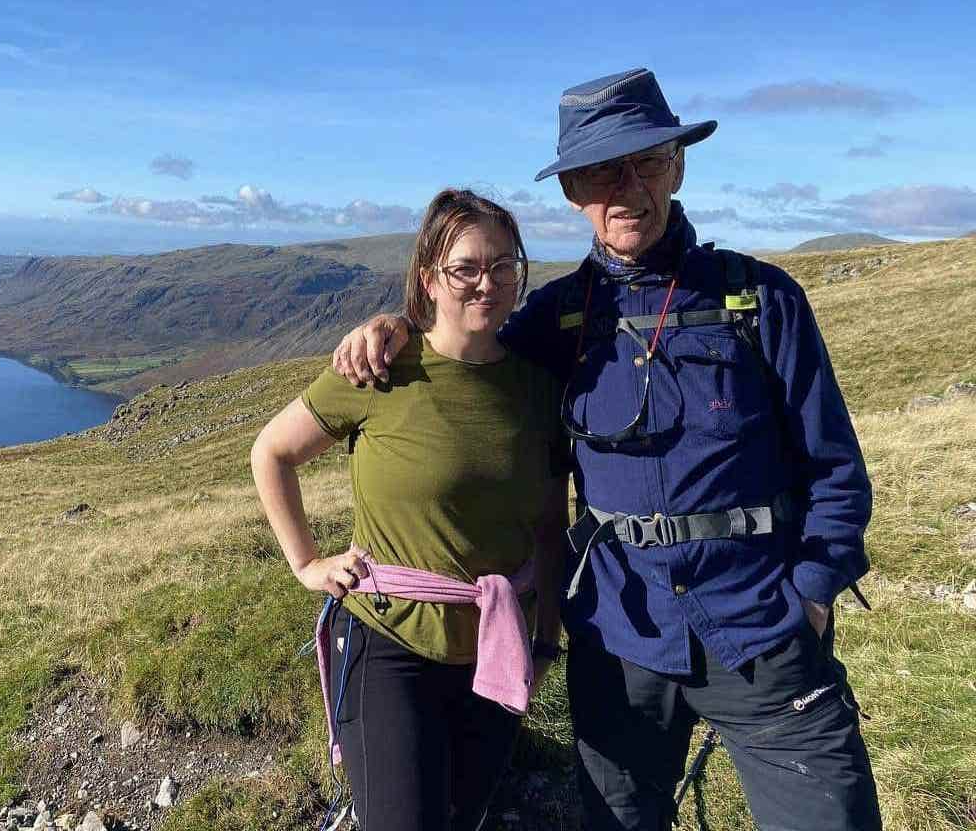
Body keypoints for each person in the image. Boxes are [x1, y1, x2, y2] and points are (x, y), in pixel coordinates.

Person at [331, 69, 882, 831]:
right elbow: (461, 359)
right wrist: (393, 328)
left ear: (677, 165)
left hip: (763, 625)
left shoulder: (763, 300)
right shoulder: (553, 320)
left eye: (647, 162)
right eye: (599, 171)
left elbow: (835, 470)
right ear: (572, 193)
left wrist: (814, 595)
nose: (626, 189)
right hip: (622, 639)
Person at [250, 189, 569, 831]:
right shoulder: (379, 369)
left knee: (464, 812)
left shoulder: (539, 388)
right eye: (466, 269)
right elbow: (272, 453)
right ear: (429, 279)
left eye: (505, 266)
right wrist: (307, 562)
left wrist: (546, 640)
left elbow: (547, 527)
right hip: (389, 638)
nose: (488, 283)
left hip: (494, 644)